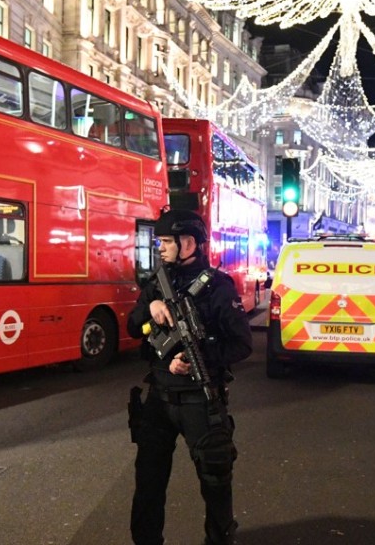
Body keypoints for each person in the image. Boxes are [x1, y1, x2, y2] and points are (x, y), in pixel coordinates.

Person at [127, 209, 253, 545]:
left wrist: (201, 357)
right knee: (148, 486)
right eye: (160, 241)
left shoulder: (218, 287)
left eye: (167, 241)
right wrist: (150, 309)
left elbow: (242, 344)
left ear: (189, 243)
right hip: (159, 399)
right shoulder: (157, 282)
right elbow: (133, 326)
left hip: (200, 400)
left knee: (215, 482)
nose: (161, 248)